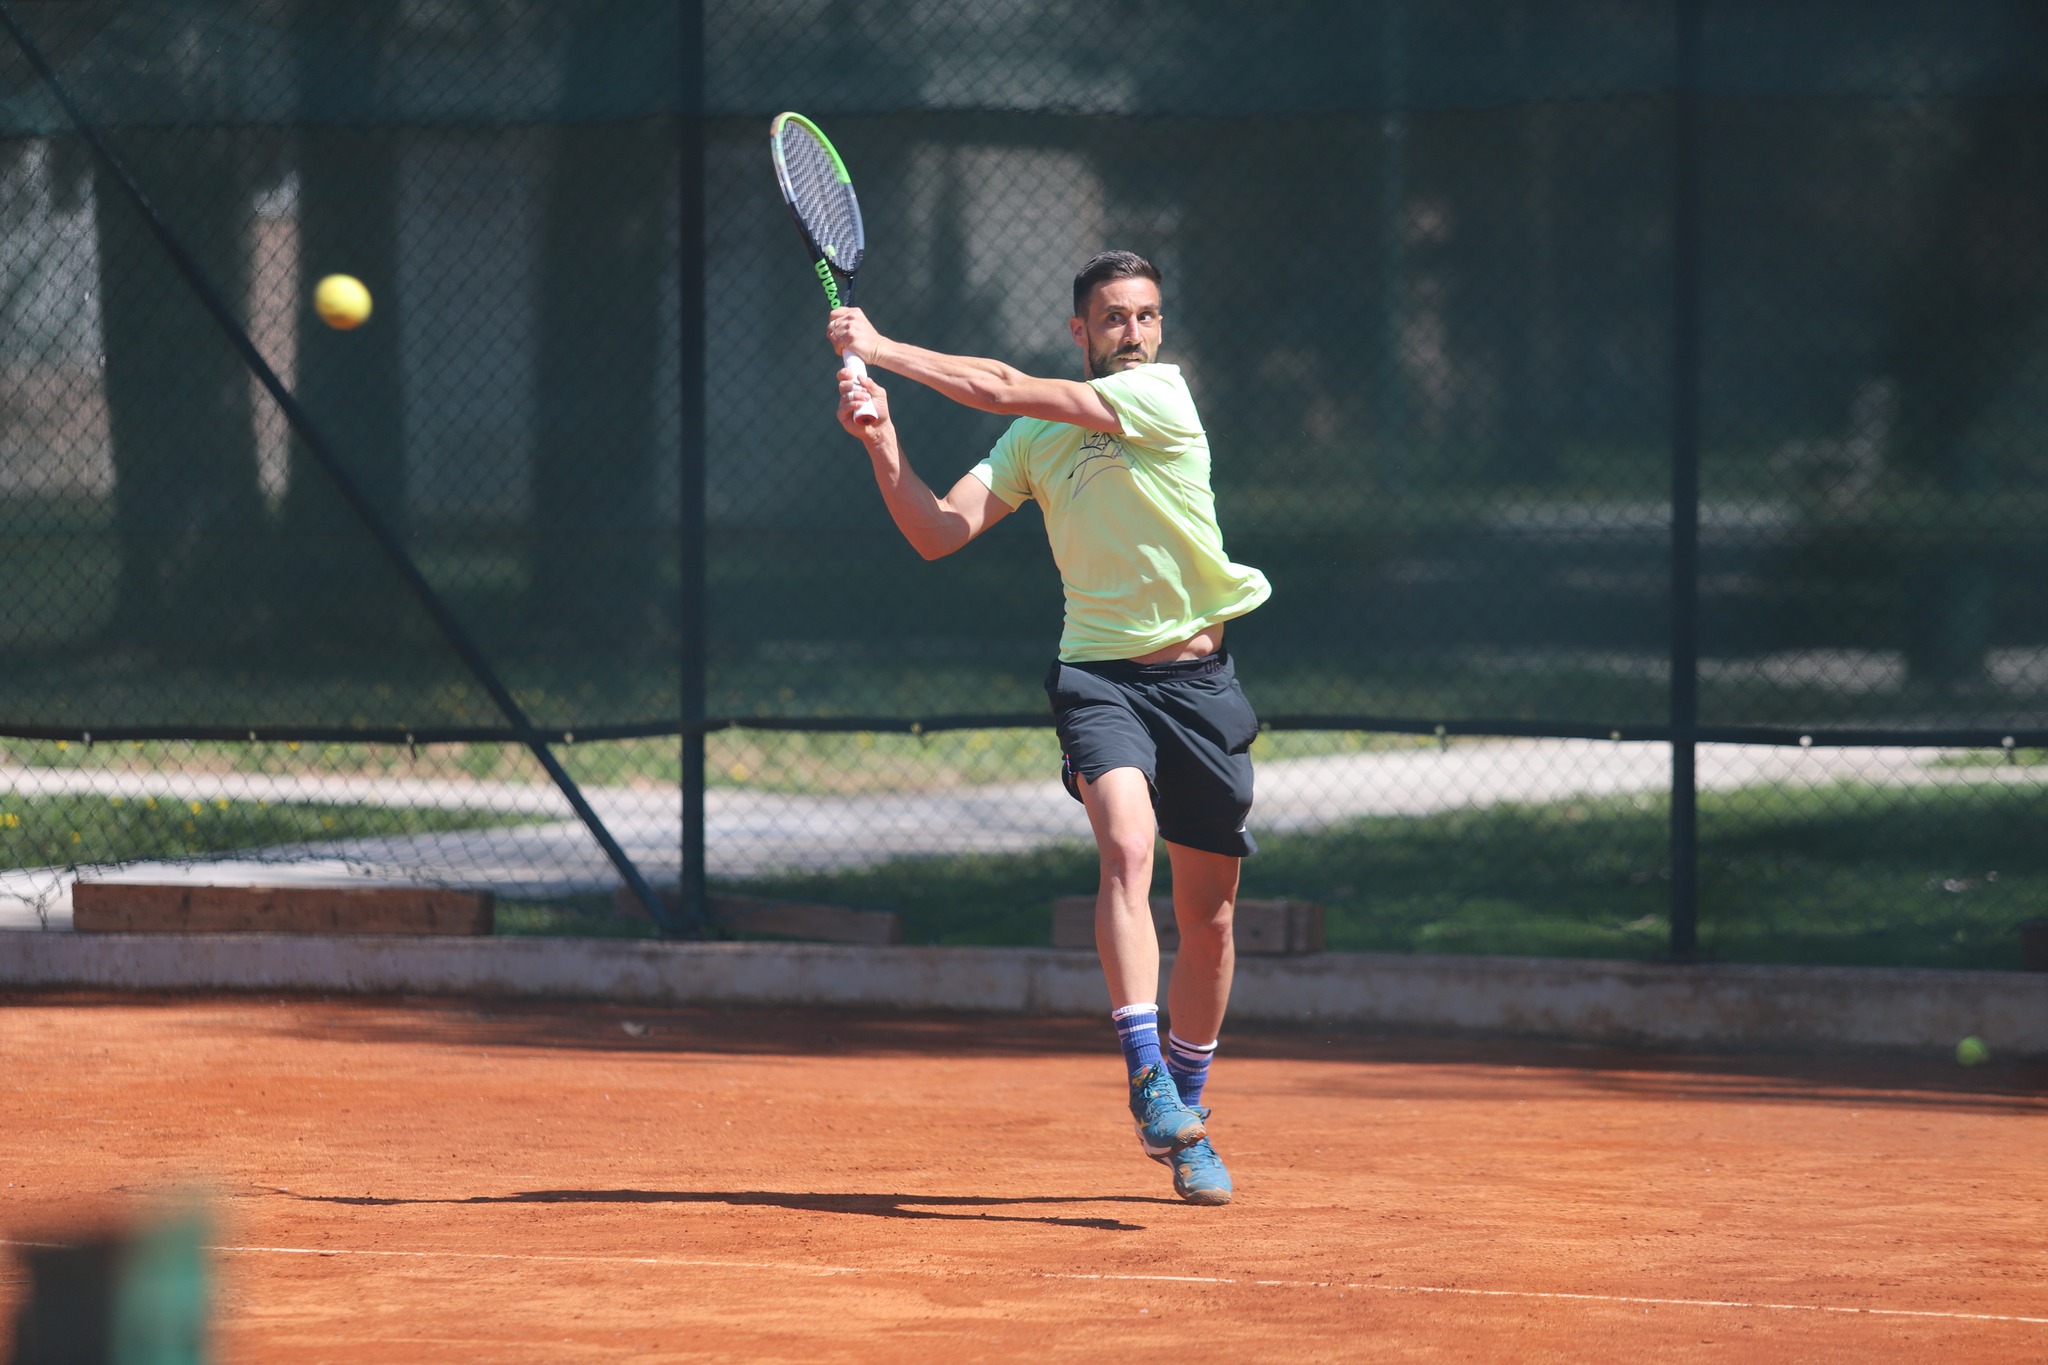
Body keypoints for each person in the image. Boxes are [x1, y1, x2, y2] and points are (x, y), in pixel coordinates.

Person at [826, 250, 1270, 1206]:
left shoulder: (1163, 397)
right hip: (1098, 676)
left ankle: (1187, 1117)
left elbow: (1000, 384)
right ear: (1082, 328)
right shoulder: (1037, 440)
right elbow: (938, 530)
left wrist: (885, 347)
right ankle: (1148, 1080)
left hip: (1200, 685)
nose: (1135, 332)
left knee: (1213, 917)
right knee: (1124, 845)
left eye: (1148, 315)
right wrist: (881, 441)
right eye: (1115, 318)